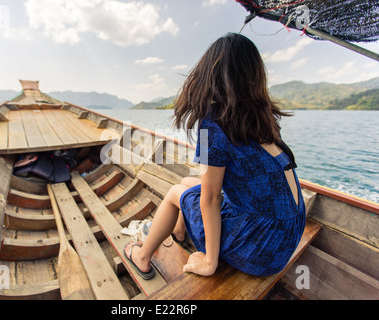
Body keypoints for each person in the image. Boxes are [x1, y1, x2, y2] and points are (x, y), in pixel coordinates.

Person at [124, 33, 306, 280]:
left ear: (210, 74)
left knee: (176, 193)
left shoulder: (212, 125)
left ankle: (142, 257)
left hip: (263, 247)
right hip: (288, 232)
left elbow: (210, 198)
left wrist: (210, 262)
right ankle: (179, 231)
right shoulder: (263, 117)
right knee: (188, 184)